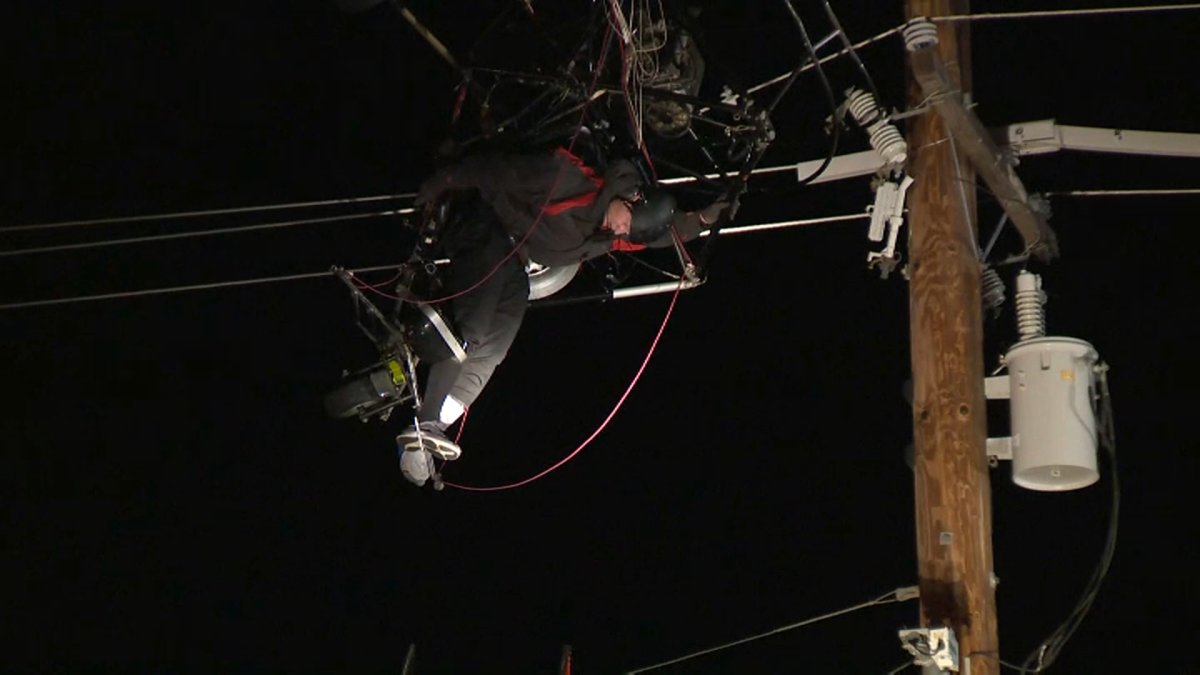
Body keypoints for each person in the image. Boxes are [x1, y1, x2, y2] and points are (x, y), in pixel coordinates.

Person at [396, 146, 728, 486]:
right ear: (630, 198)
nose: (618, 232)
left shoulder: (610, 231)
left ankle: (437, 426)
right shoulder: (571, 182)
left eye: (625, 233)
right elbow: (502, 167)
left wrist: (702, 220)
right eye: (624, 224)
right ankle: (423, 423)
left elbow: (659, 236)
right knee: (474, 328)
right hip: (487, 230)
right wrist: (445, 180)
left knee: (495, 347)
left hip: (516, 260)